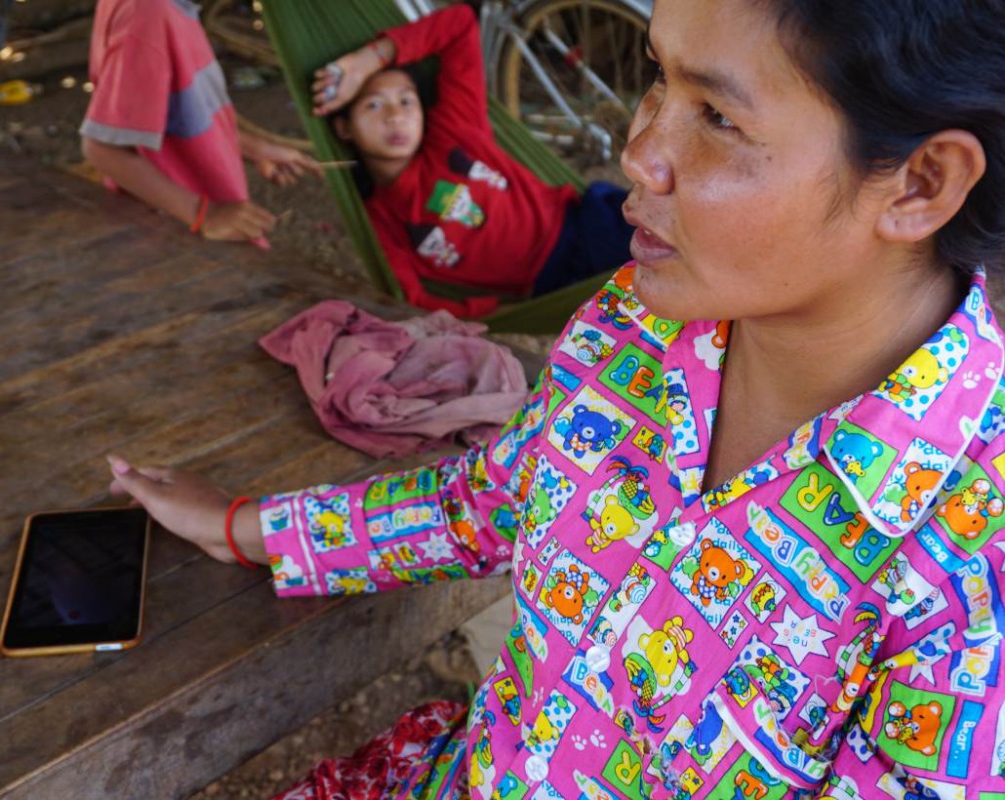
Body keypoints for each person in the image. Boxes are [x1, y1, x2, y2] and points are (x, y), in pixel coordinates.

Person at [107, 0, 1005, 795]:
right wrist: (248, 529)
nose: (638, 152)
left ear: (920, 182)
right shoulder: (633, 330)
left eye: (718, 116)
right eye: (658, 79)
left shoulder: (973, 574)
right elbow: (497, 495)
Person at [309, 5, 635, 318]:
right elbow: (411, 300)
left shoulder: (453, 131)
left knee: (662, 265)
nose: (396, 116)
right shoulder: (381, 220)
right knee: (635, 329)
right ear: (343, 127)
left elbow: (460, 25)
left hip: (585, 225)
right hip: (553, 286)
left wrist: (370, 60)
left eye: (406, 101)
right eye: (374, 105)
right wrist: (492, 315)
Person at [79, 0, 320, 247]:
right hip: (177, 234)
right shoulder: (147, 14)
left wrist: (253, 147)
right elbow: (103, 148)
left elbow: (182, 113)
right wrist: (203, 213)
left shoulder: (165, 10)